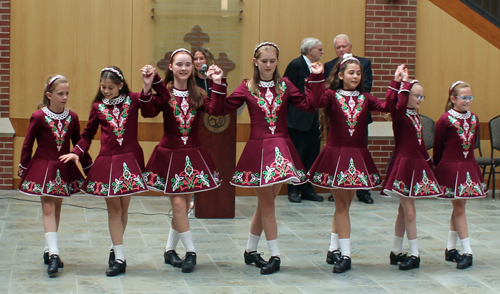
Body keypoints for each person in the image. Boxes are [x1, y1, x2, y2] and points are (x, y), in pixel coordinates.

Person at [210, 41, 323, 275]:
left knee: (265, 206)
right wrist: (218, 83)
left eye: (273, 61)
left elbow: (310, 106)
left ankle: (251, 251)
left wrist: (315, 79)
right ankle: (275, 255)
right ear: (256, 62)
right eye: (264, 61)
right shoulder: (246, 87)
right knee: (268, 205)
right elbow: (220, 110)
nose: (269, 65)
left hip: (282, 150)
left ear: (277, 62)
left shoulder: (286, 85)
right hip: (259, 152)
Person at [60, 65, 168, 276]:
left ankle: (114, 247)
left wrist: (150, 83)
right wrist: (76, 152)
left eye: (110, 87)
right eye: (103, 87)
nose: (106, 91)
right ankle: (120, 258)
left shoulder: (134, 99)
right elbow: (87, 134)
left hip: (130, 160)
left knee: (124, 209)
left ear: (121, 85)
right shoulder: (98, 106)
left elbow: (159, 101)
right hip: (108, 163)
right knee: (114, 210)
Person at [306, 54, 402, 273]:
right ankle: (346, 255)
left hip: (357, 157)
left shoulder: (365, 98)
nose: (356, 76)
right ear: (340, 75)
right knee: (341, 206)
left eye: (359, 73)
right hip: (337, 157)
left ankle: (333, 248)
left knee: (344, 206)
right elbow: (315, 101)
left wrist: (396, 82)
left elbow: (387, 105)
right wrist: (316, 75)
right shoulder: (331, 95)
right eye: (351, 72)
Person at [142, 49, 224, 273]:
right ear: (170, 67)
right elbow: (148, 113)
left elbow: (217, 110)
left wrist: (217, 83)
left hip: (193, 154)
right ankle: (191, 252)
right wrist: (148, 87)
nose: (184, 68)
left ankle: (169, 251)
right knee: (179, 204)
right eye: (179, 64)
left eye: (188, 64)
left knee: (183, 205)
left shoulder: (198, 93)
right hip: (170, 155)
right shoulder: (164, 92)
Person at [18, 75, 92, 276]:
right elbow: (28, 144)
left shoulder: (72, 117)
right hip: (43, 169)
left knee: (56, 210)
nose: (65, 97)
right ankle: (54, 255)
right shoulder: (39, 116)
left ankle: (48, 249)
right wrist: (24, 167)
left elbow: (78, 144)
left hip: (63, 169)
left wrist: (88, 167)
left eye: (67, 93)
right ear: (49, 95)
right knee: (49, 209)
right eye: (60, 94)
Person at [381, 70, 443, 271]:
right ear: (406, 96)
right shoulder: (400, 114)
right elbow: (397, 104)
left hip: (416, 165)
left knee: (403, 209)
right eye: (417, 96)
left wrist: (429, 163)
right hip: (404, 166)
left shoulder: (416, 117)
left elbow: (420, 144)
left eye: (422, 96)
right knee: (409, 211)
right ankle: (415, 253)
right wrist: (403, 83)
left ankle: (396, 251)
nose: (420, 100)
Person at [433, 81, 487, 269]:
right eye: (464, 97)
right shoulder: (444, 119)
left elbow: (470, 146)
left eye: (470, 97)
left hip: (467, 167)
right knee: (460, 209)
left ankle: (450, 248)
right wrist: (438, 168)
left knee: (459, 207)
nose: (468, 101)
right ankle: (467, 251)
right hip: (451, 168)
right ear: (453, 98)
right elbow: (438, 146)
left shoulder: (474, 119)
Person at [324, 34, 374, 204]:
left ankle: (362, 190)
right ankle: (337, 186)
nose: (341, 50)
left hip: (359, 116)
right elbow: (326, 90)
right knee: (339, 154)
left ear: (350, 47)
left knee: (360, 153)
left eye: (344, 46)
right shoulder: (329, 66)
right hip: (339, 118)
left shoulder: (364, 63)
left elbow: (366, 87)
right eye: (338, 47)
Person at [283, 37, 324, 203]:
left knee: (311, 156)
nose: (322, 52)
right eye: (319, 49)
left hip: (314, 120)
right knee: (297, 156)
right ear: (310, 50)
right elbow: (286, 89)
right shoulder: (296, 64)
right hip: (297, 121)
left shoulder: (318, 68)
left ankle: (307, 189)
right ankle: (293, 190)